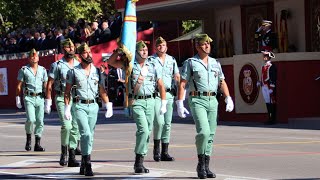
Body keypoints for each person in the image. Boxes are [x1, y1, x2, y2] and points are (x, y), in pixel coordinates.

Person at [176, 34, 234, 179]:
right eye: (204, 43)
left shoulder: (216, 63)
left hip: (213, 100)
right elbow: (183, 83)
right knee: (204, 132)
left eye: (208, 43)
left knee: (211, 134)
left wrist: (228, 97)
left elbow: (221, 82)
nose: (207, 45)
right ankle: (200, 163)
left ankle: (206, 166)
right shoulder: (190, 63)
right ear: (197, 46)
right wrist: (179, 103)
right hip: (197, 99)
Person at [107, 41, 167, 174]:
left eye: (146, 49)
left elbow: (161, 85)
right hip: (137, 102)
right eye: (141, 50)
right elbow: (111, 62)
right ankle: (138, 162)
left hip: (151, 102)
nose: (145, 51)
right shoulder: (129, 65)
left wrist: (163, 103)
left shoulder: (153, 66)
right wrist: (118, 51)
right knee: (144, 130)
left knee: (148, 132)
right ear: (136, 52)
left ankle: (141, 159)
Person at [64, 43, 113, 176]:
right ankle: (88, 164)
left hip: (93, 106)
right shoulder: (73, 71)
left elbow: (101, 89)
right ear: (80, 55)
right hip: (79, 105)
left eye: (89, 52)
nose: (88, 54)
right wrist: (67, 108)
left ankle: (83, 165)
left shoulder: (97, 70)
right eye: (85, 53)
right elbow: (67, 91)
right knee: (85, 133)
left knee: (90, 136)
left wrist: (107, 104)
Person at [45, 38, 81, 167]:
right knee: (67, 126)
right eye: (67, 47)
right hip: (61, 98)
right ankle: (64, 152)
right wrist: (48, 101)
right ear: (63, 49)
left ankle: (72, 156)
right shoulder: (57, 65)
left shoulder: (78, 64)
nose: (71, 49)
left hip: (76, 99)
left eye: (72, 47)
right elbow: (49, 84)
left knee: (75, 127)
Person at [150, 37, 180, 162]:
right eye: (159, 45)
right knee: (159, 122)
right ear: (155, 47)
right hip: (156, 95)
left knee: (167, 124)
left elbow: (176, 76)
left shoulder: (171, 60)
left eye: (163, 45)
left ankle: (165, 152)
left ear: (166, 47)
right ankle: (156, 150)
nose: (161, 47)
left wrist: (180, 84)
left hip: (169, 94)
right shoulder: (151, 60)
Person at [16, 49, 48, 152]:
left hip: (40, 98)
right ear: (29, 59)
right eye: (32, 56)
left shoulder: (43, 70)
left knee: (40, 121)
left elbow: (46, 85)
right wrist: (18, 98)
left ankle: (37, 144)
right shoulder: (24, 70)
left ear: (38, 58)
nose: (34, 58)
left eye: (35, 56)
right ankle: (29, 139)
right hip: (29, 97)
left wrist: (48, 99)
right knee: (31, 119)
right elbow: (19, 86)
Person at [257, 50, 277, 125]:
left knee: (272, 103)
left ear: (269, 57)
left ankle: (273, 119)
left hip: (269, 87)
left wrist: (271, 88)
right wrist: (260, 82)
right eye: (264, 56)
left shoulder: (271, 66)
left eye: (265, 56)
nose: (264, 57)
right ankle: (269, 118)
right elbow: (263, 76)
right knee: (267, 103)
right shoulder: (263, 66)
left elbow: (273, 77)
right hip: (264, 86)